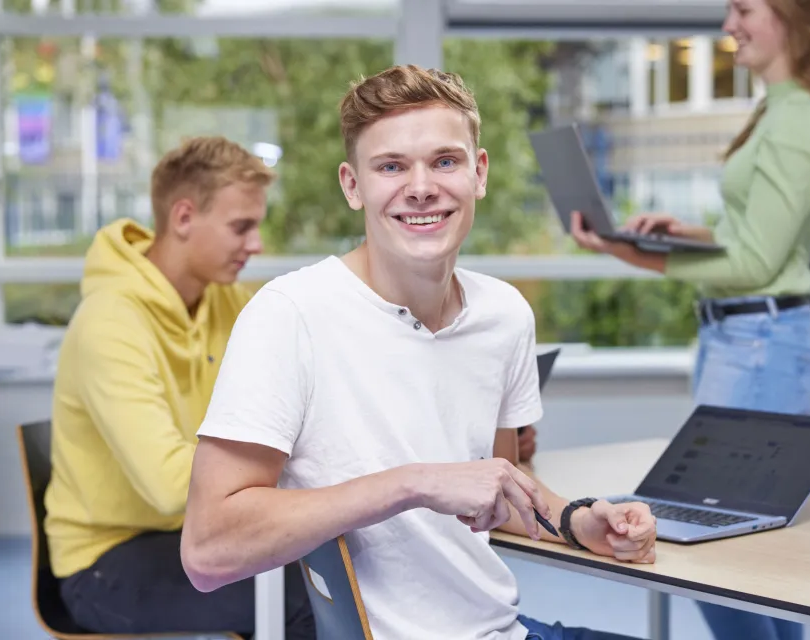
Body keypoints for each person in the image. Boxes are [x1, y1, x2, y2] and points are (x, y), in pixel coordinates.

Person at [180, 65, 657, 640]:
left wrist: (580, 520)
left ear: (478, 173)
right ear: (352, 185)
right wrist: (412, 483)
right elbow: (208, 552)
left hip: (500, 627)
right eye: (391, 166)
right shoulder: (289, 315)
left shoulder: (505, 316)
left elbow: (496, 493)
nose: (422, 186)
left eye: (445, 161)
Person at [568, 1, 810, 639]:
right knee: (750, 558)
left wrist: (630, 252)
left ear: (791, 15)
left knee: (710, 549)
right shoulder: (781, 111)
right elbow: (756, 237)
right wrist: (687, 234)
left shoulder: (798, 120)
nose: (729, 26)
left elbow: (757, 262)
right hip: (745, 338)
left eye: (744, 9)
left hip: (760, 342)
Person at [43, 135, 316, 639]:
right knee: (302, 597)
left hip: (200, 531)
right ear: (185, 218)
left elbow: (314, 388)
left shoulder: (228, 301)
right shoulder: (110, 321)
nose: (255, 245)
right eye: (241, 227)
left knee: (339, 565)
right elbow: (170, 486)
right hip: (108, 562)